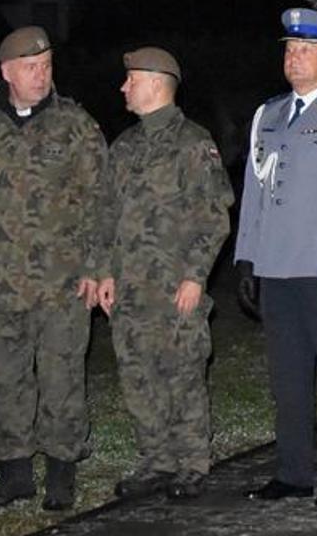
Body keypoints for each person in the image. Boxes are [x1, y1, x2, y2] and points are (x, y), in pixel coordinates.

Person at [0, 26, 106, 512]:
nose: (42, 75)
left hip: (65, 283)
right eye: (31, 67)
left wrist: (98, 266)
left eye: (47, 65)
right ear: (7, 72)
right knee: (6, 378)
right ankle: (13, 474)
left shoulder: (75, 125)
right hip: (3, 283)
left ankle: (61, 473)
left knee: (61, 377)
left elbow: (101, 202)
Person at [233, 8, 317, 509]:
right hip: (276, 265)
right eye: (290, 50)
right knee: (287, 378)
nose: (295, 59)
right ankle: (292, 471)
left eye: (306, 51)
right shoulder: (267, 114)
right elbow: (256, 190)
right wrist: (246, 258)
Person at [91, 47, 235, 501]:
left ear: (155, 83)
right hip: (132, 289)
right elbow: (106, 215)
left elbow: (214, 216)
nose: (123, 87)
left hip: (175, 286)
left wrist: (196, 276)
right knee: (138, 376)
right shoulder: (125, 146)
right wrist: (104, 272)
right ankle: (156, 460)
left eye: (130, 79)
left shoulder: (193, 143)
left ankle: (191, 462)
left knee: (183, 374)